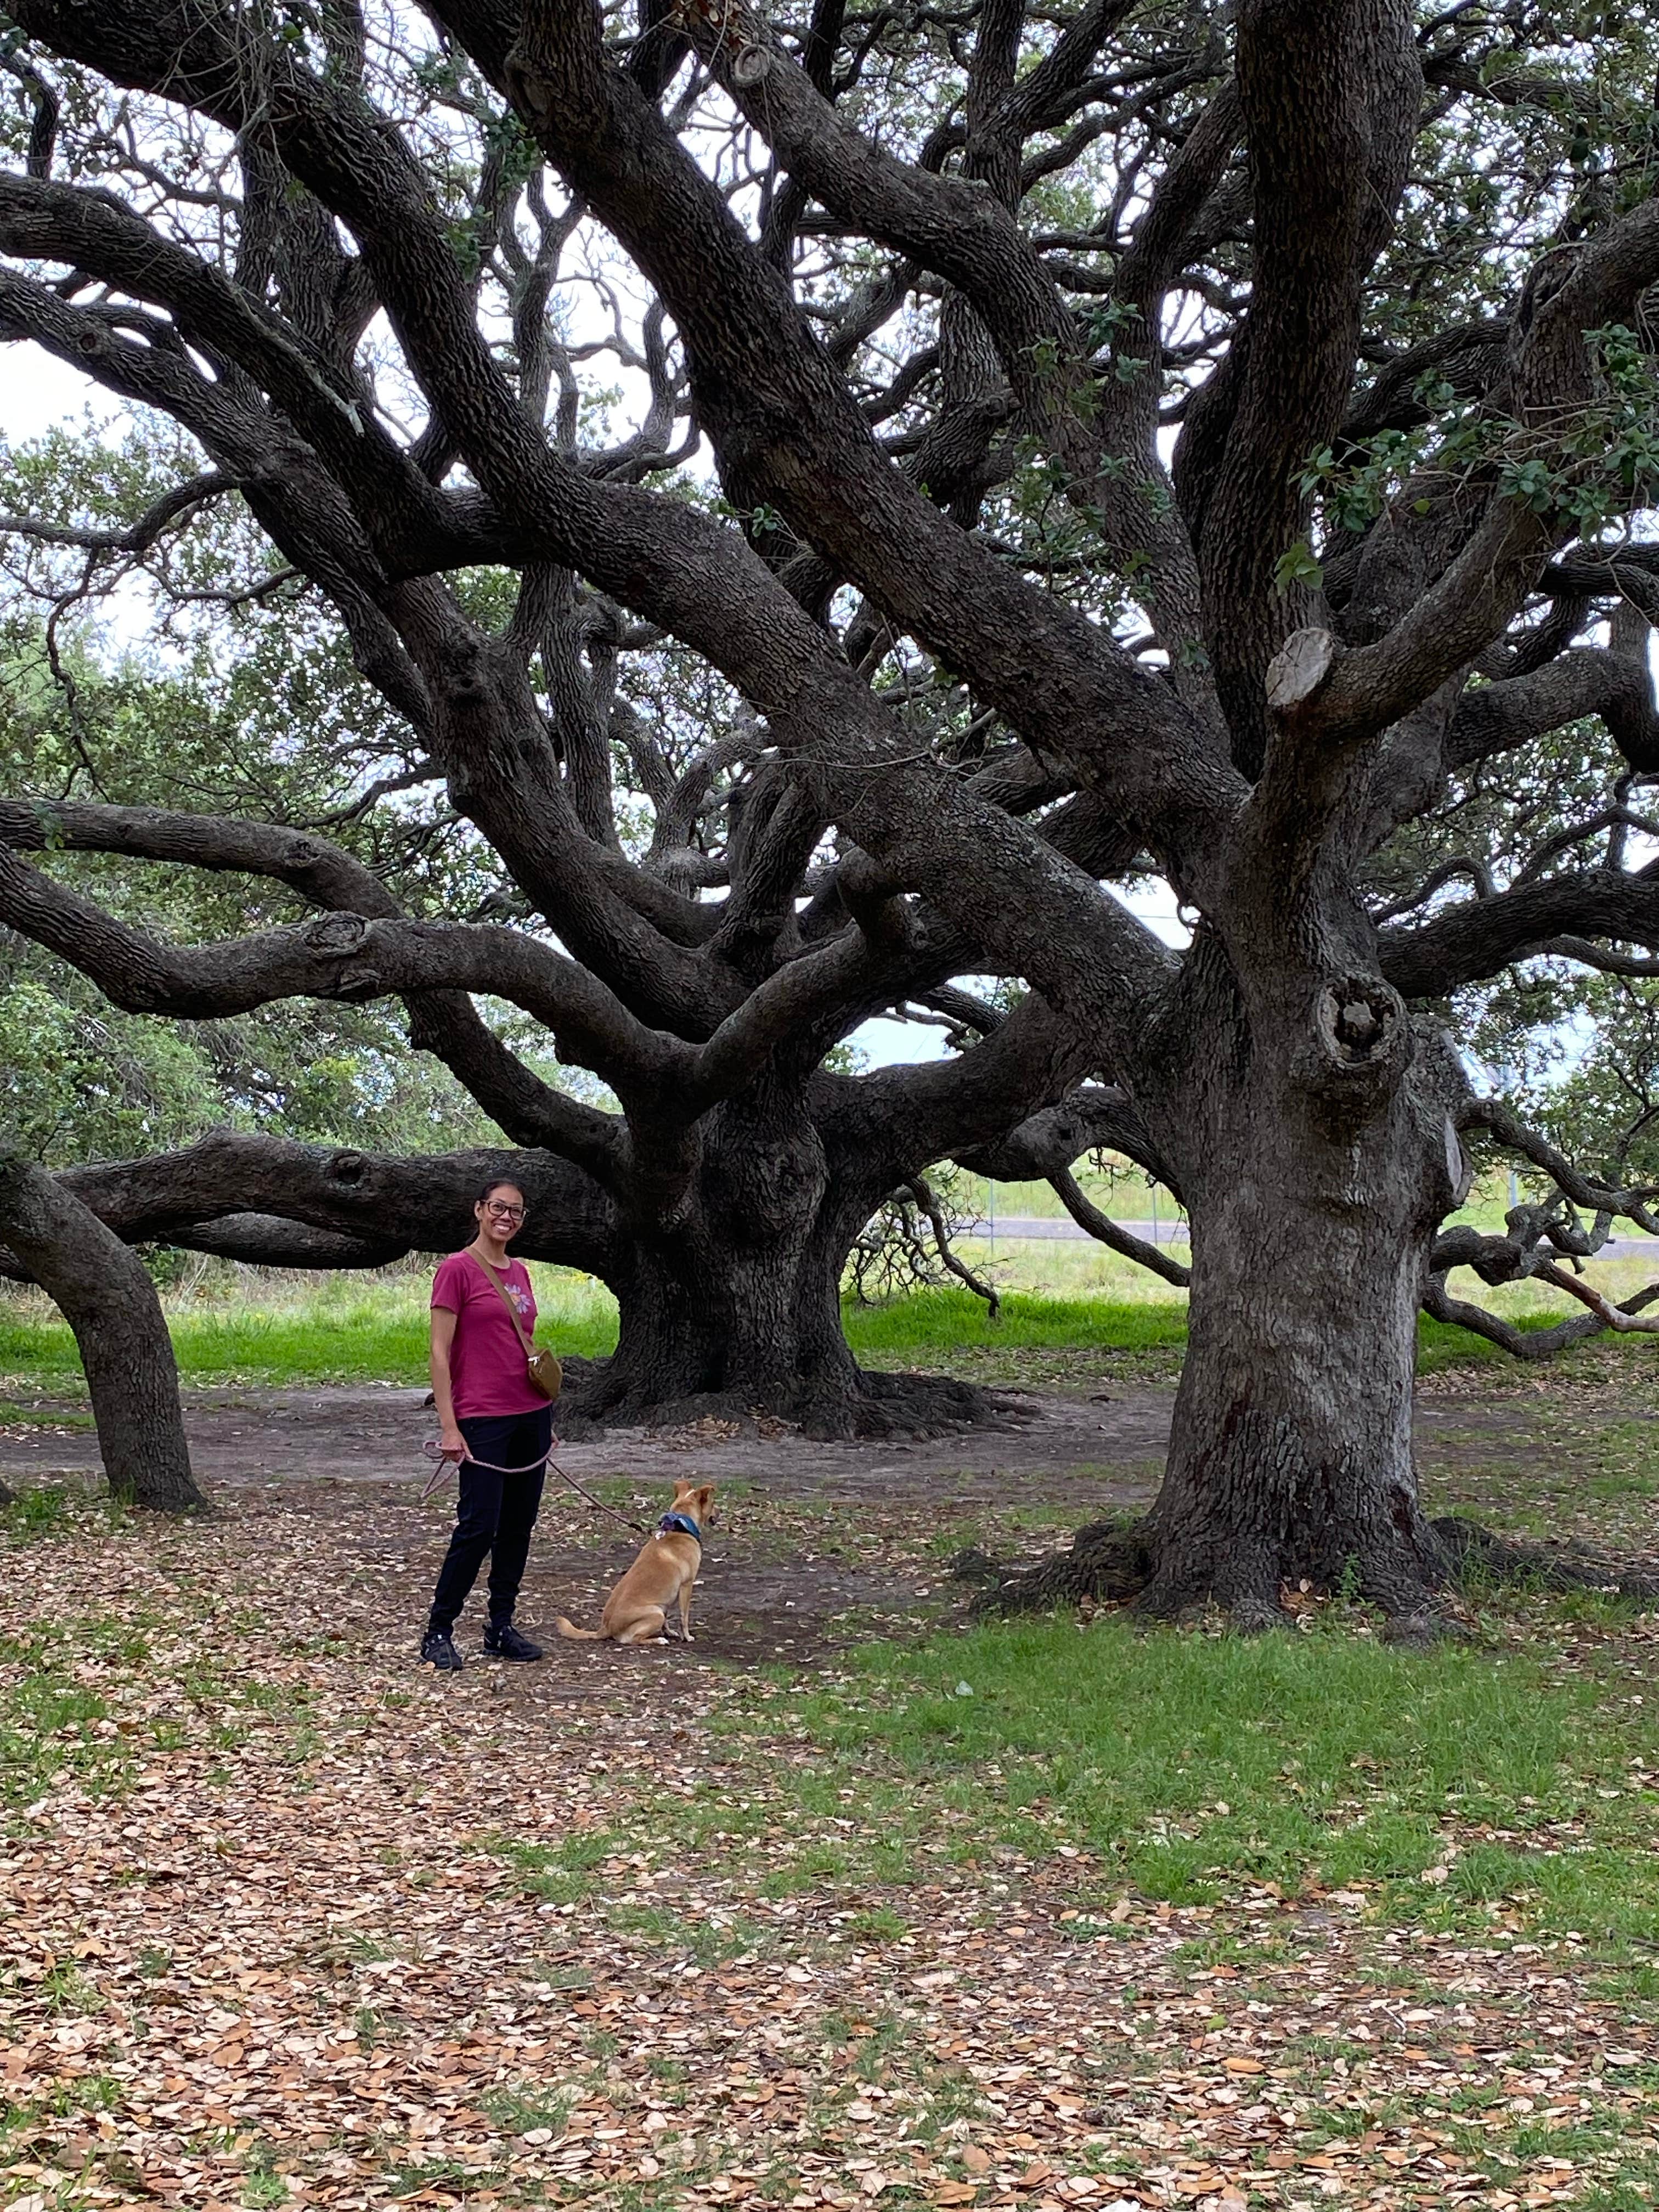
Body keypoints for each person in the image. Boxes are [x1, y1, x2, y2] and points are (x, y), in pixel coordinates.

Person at [421, 1178, 555, 1672]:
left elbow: (524, 1343)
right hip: (481, 1416)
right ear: (479, 1210)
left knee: (518, 1526)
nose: (507, 1218)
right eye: (499, 1208)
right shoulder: (456, 1270)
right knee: (479, 1526)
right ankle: (439, 1630)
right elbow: (439, 1353)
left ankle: (500, 1626)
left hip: (530, 1414)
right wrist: (449, 1426)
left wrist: (545, 1414)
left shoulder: (519, 1271)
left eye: (517, 1212)